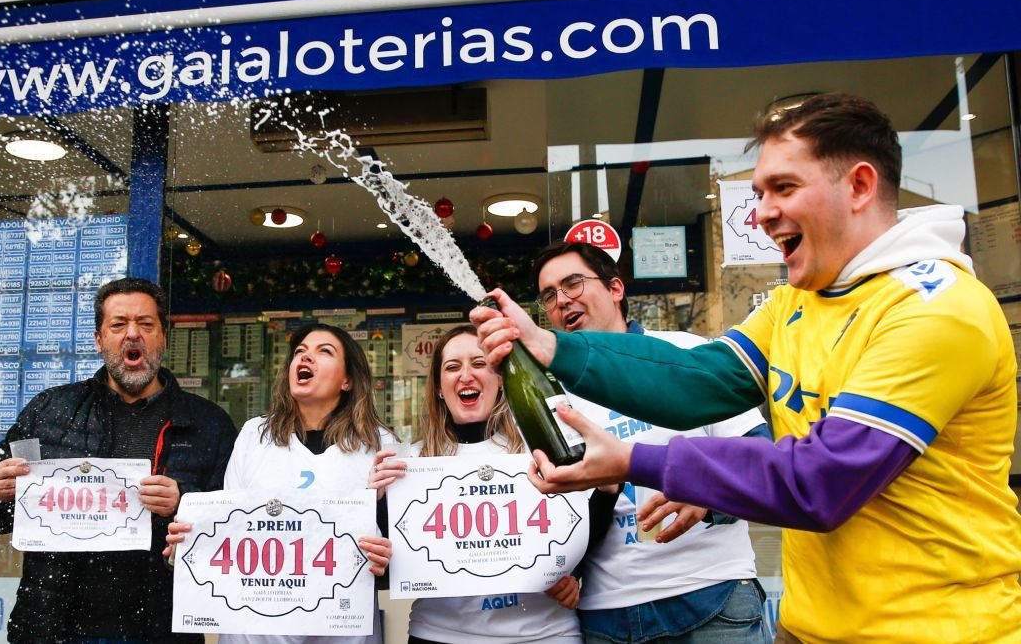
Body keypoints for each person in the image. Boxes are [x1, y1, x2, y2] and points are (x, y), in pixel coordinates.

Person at [472, 92, 1021, 643]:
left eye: (785, 187)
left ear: (858, 186)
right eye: (760, 193)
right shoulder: (796, 301)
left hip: (940, 630)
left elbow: (820, 481)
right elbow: (698, 381)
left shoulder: (935, 308)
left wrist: (634, 461)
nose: (761, 213)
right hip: (808, 628)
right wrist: (547, 345)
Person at [0, 277, 237, 643]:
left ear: (163, 337)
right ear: (99, 340)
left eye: (146, 324)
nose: (133, 334)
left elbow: (232, 527)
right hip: (53, 628)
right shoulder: (48, 411)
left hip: (160, 629)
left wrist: (183, 503)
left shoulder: (208, 423)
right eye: (118, 324)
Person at [533, 241, 771, 643]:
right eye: (549, 295)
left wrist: (707, 495)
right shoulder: (551, 394)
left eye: (573, 283)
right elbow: (556, 511)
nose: (562, 300)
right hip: (607, 616)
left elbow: (760, 461)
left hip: (710, 596)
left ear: (615, 288)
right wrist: (564, 570)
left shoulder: (685, 352)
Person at [166, 323, 393, 644]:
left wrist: (385, 552)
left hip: (344, 631)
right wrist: (189, 543)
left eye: (324, 351)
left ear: (348, 380)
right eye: (300, 351)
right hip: (256, 633)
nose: (306, 357)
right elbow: (229, 526)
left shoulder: (378, 445)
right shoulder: (255, 435)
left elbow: (399, 548)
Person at [367, 324, 583, 644]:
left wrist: (574, 574)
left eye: (479, 363)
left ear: (500, 379)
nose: (466, 375)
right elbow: (387, 569)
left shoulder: (541, 449)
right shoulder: (409, 464)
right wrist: (376, 504)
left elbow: (583, 527)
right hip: (440, 635)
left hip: (544, 633)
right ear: (439, 388)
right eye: (453, 367)